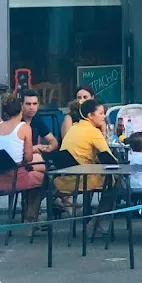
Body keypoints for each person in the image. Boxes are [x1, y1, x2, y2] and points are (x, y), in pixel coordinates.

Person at [57, 99, 115, 235]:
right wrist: (104, 133)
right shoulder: (93, 132)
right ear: (90, 116)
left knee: (99, 174)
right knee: (114, 183)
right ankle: (95, 223)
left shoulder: (75, 127)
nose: (104, 116)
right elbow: (110, 158)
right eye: (100, 113)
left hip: (63, 179)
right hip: (81, 179)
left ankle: (89, 217)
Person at [0, 93, 45, 222]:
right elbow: (28, 158)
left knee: (36, 170)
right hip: (16, 178)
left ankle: (28, 215)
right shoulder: (24, 127)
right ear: (21, 109)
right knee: (45, 180)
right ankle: (30, 219)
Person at [21, 89, 58, 154]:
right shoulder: (16, 121)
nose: (31, 107)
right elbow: (12, 150)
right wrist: (34, 148)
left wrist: (50, 147)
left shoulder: (36, 119)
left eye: (34, 104)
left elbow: (53, 141)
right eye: (28, 104)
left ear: (38, 105)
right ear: (21, 105)